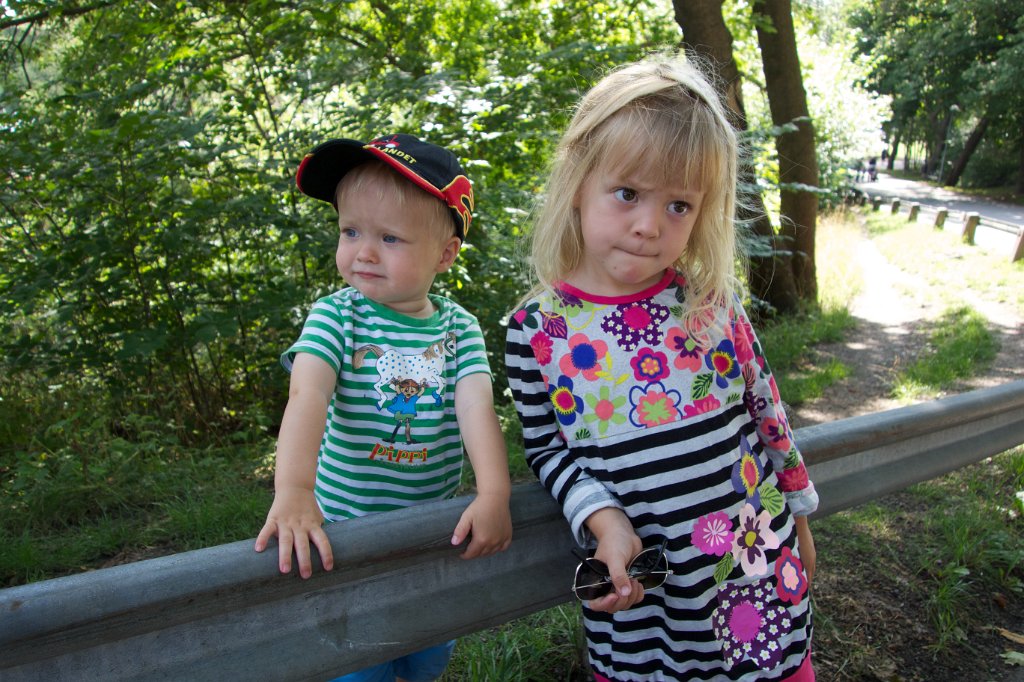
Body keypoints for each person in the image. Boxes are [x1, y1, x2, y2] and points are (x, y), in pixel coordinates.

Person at [504, 55, 818, 681]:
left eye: (679, 205)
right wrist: (604, 521)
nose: (649, 226)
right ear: (578, 180)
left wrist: (801, 518)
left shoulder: (710, 304)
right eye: (627, 194)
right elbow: (547, 451)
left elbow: (768, 413)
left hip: (755, 564)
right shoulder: (536, 332)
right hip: (645, 598)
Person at [255, 133, 513, 682]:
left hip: (431, 529)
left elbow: (476, 408)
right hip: (342, 529)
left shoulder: (458, 328)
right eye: (351, 231)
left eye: (389, 237)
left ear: (444, 254)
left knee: (425, 652)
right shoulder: (336, 317)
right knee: (358, 658)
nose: (364, 252)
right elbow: (307, 396)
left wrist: (493, 493)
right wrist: (295, 491)